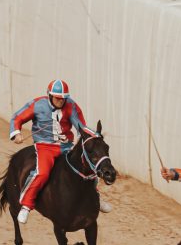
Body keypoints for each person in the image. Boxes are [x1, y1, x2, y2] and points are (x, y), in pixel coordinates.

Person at [9, 78, 111, 224]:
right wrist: (16, 133)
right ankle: (26, 205)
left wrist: (94, 134)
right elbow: (17, 117)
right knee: (42, 172)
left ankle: (96, 197)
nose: (61, 101)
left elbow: (81, 126)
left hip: (66, 146)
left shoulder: (71, 105)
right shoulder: (38, 104)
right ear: (50, 95)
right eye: (58, 98)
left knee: (88, 168)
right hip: (45, 146)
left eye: (63, 98)